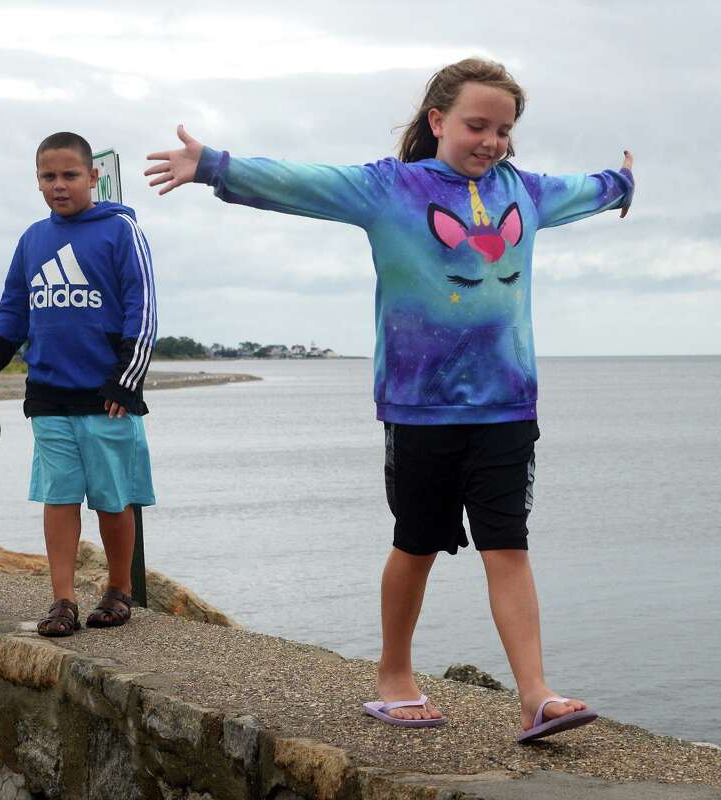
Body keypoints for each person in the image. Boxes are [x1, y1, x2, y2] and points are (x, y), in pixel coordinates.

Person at [145, 58, 633, 741]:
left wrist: (622, 183)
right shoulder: (389, 189)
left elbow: (587, 189)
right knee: (416, 544)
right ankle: (394, 676)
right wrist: (215, 166)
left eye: (503, 129)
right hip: (418, 407)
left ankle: (534, 694)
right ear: (438, 120)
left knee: (509, 547)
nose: (490, 140)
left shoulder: (525, 193)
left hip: (506, 407)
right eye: (476, 125)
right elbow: (303, 183)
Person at [0, 131, 157, 637]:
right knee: (60, 497)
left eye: (70, 175)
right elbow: (13, 313)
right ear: (37, 182)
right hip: (48, 395)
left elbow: (144, 309)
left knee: (114, 501)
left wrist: (126, 382)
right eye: (48, 177)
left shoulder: (121, 233)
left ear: (93, 177)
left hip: (107, 396)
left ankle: (119, 589)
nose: (59, 185)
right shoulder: (32, 240)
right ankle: (63, 600)